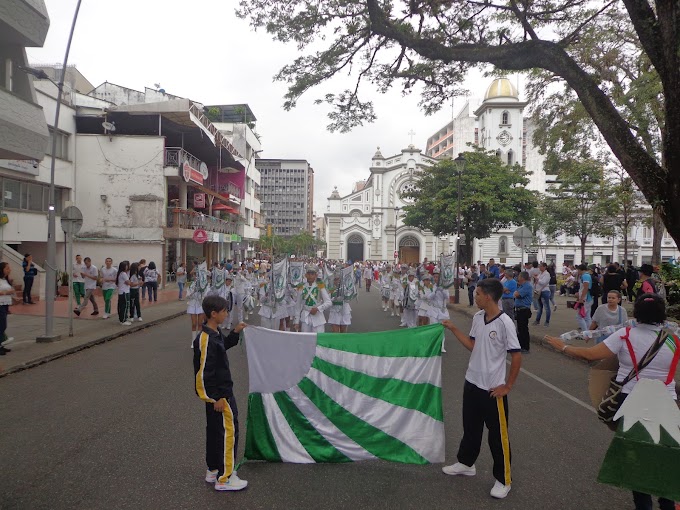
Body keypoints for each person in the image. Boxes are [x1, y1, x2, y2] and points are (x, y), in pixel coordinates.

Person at [544, 294, 676, 510]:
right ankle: (667, 504)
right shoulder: (672, 340)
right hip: (666, 404)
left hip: (632, 402)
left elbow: (591, 355)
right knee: (664, 456)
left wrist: (563, 347)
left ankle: (644, 506)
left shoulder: (626, 335)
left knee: (638, 459)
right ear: (662, 315)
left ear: (637, 313)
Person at [441, 279, 522, 500]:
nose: (474, 297)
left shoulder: (505, 323)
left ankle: (504, 479)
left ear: (488, 296)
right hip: (472, 382)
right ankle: (466, 463)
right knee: (471, 428)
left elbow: (516, 355)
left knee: (497, 436)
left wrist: (508, 386)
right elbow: (473, 345)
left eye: (477, 294)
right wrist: (453, 328)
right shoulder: (478, 317)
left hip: (492, 389)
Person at [192, 295, 248, 492]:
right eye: (224, 311)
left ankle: (213, 470)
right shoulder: (206, 339)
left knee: (216, 432)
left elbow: (223, 346)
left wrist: (234, 333)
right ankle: (225, 478)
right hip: (220, 397)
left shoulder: (213, 334)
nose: (227, 314)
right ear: (213, 314)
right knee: (228, 433)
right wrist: (216, 397)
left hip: (219, 395)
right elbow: (204, 373)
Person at [294, 265, 332, 333]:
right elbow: (298, 305)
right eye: (308, 274)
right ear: (306, 275)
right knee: (305, 339)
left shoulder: (320, 286)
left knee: (318, 340)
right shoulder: (301, 287)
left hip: (318, 318)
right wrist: (296, 321)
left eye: (312, 274)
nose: (310, 276)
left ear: (316, 275)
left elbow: (328, 302)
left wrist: (317, 309)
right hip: (305, 317)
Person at [0, 262, 19, 355]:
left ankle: (1, 345)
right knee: (2, 324)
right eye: (7, 268)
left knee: (3, 324)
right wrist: (6, 292)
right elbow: (3, 291)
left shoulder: (5, 279)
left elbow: (9, 291)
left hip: (5, 303)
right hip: (0, 303)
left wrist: (13, 297)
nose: (9, 270)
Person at [513, 271, 533, 353]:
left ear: (522, 277)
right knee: (520, 329)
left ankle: (525, 347)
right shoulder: (521, 286)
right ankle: (520, 345)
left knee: (523, 329)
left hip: (524, 309)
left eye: (519, 276)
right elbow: (515, 293)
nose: (518, 278)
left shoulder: (527, 286)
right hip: (519, 309)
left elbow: (517, 294)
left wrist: (516, 293)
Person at [533, 263, 551, 327]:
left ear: (544, 267)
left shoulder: (547, 274)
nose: (539, 268)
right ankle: (537, 320)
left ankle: (547, 321)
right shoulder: (540, 274)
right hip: (538, 291)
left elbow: (543, 282)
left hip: (544, 291)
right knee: (539, 307)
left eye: (541, 267)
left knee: (547, 307)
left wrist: (537, 279)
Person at [576, 264, 593, 331]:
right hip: (588, 298)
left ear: (580, 270)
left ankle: (585, 332)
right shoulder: (587, 275)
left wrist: (581, 298)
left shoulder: (585, 276)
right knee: (587, 317)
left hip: (585, 299)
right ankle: (589, 332)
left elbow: (585, 288)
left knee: (579, 316)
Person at [116, 261, 132, 326]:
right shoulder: (123, 274)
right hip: (124, 292)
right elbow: (129, 282)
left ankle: (123, 318)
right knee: (125, 306)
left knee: (122, 306)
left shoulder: (120, 273)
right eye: (126, 266)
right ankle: (123, 320)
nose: (127, 267)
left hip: (121, 292)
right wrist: (129, 282)